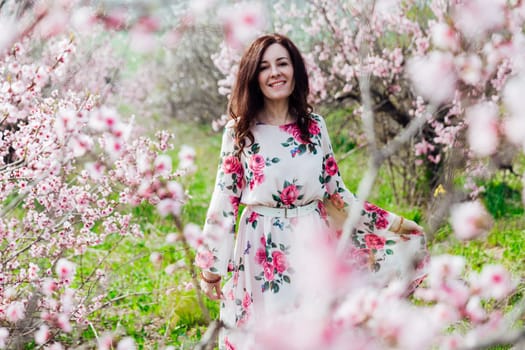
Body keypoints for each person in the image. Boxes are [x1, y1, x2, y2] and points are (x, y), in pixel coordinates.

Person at [197, 33, 427, 349]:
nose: (275, 72)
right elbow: (224, 199)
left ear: (295, 71)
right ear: (254, 77)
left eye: (282, 63)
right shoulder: (240, 132)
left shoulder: (315, 127)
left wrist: (394, 225)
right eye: (265, 67)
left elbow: (337, 191)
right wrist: (212, 268)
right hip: (261, 246)